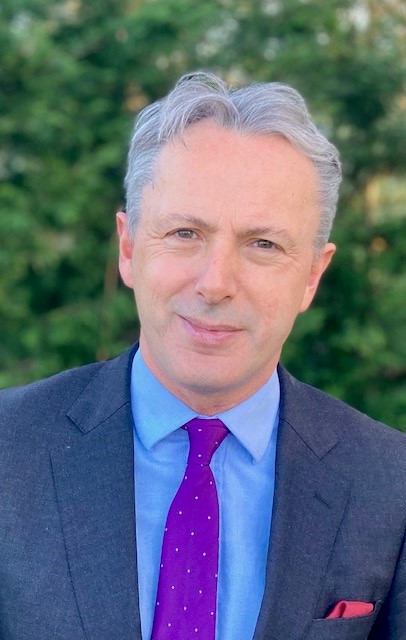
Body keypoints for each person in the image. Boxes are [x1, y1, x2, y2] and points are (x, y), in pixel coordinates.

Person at [0, 72, 405, 640]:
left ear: (313, 275)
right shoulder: (8, 449)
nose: (216, 283)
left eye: (263, 244)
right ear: (129, 247)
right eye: (186, 232)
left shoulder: (391, 484)